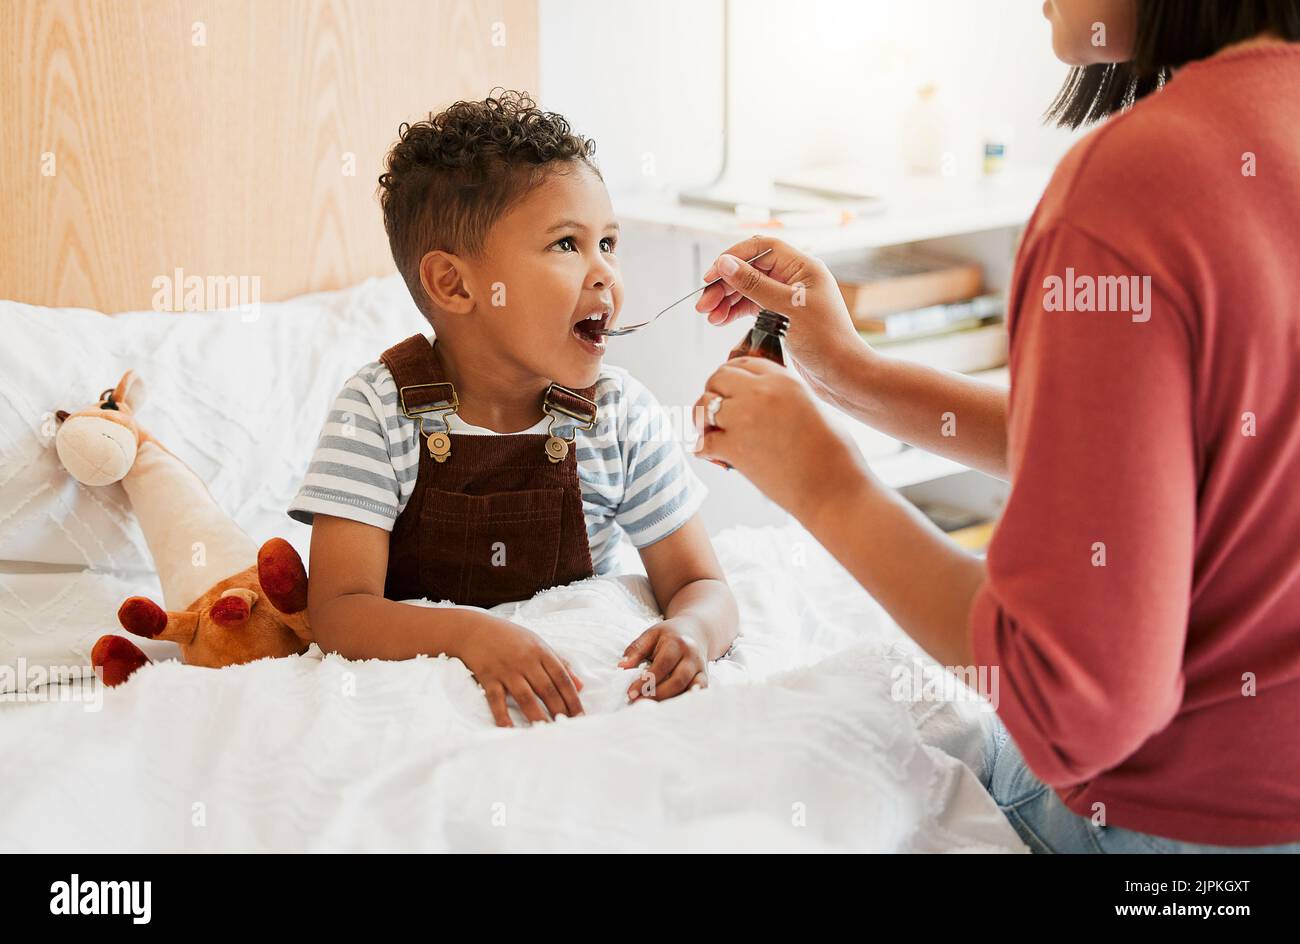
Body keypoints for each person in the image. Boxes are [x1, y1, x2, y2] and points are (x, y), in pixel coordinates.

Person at [691, 0, 1300, 852]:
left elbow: (1073, 707)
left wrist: (822, 483)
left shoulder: (1137, 183)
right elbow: (1187, 449)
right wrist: (856, 377)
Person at [288, 91, 738, 727]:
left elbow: (704, 586)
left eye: (608, 242)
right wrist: (472, 636)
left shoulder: (621, 415)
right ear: (455, 283)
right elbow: (339, 612)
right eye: (565, 244)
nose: (605, 273)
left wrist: (693, 631)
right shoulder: (377, 410)